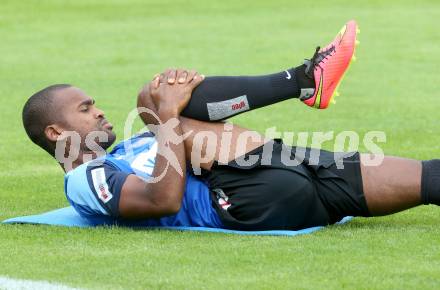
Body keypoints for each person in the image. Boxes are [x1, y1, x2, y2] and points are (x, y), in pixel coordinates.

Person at [21, 20, 440, 230]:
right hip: (243, 199)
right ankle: (304, 80)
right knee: (152, 100)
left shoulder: (126, 150)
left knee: (429, 177)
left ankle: (306, 82)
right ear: (56, 133)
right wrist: (167, 115)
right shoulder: (83, 178)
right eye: (84, 108)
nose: (97, 111)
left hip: (284, 172)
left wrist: (170, 117)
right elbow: (160, 202)